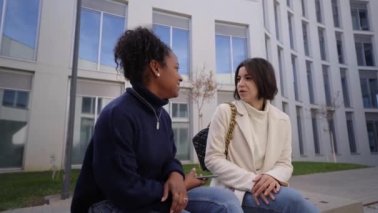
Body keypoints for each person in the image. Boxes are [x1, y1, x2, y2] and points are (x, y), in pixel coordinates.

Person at [71, 26, 243, 213]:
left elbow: (170, 159)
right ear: (155, 68)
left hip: (153, 196)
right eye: (176, 68)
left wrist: (175, 174)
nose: (180, 77)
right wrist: (180, 186)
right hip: (108, 204)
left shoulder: (163, 116)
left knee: (225, 201)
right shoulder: (118, 115)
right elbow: (124, 189)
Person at [205, 58, 320, 213]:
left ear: (264, 80)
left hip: (267, 190)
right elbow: (212, 158)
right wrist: (254, 182)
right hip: (234, 191)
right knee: (293, 201)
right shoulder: (225, 111)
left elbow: (285, 164)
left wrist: (272, 177)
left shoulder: (282, 119)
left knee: (293, 201)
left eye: (248, 78)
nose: (240, 84)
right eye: (238, 79)